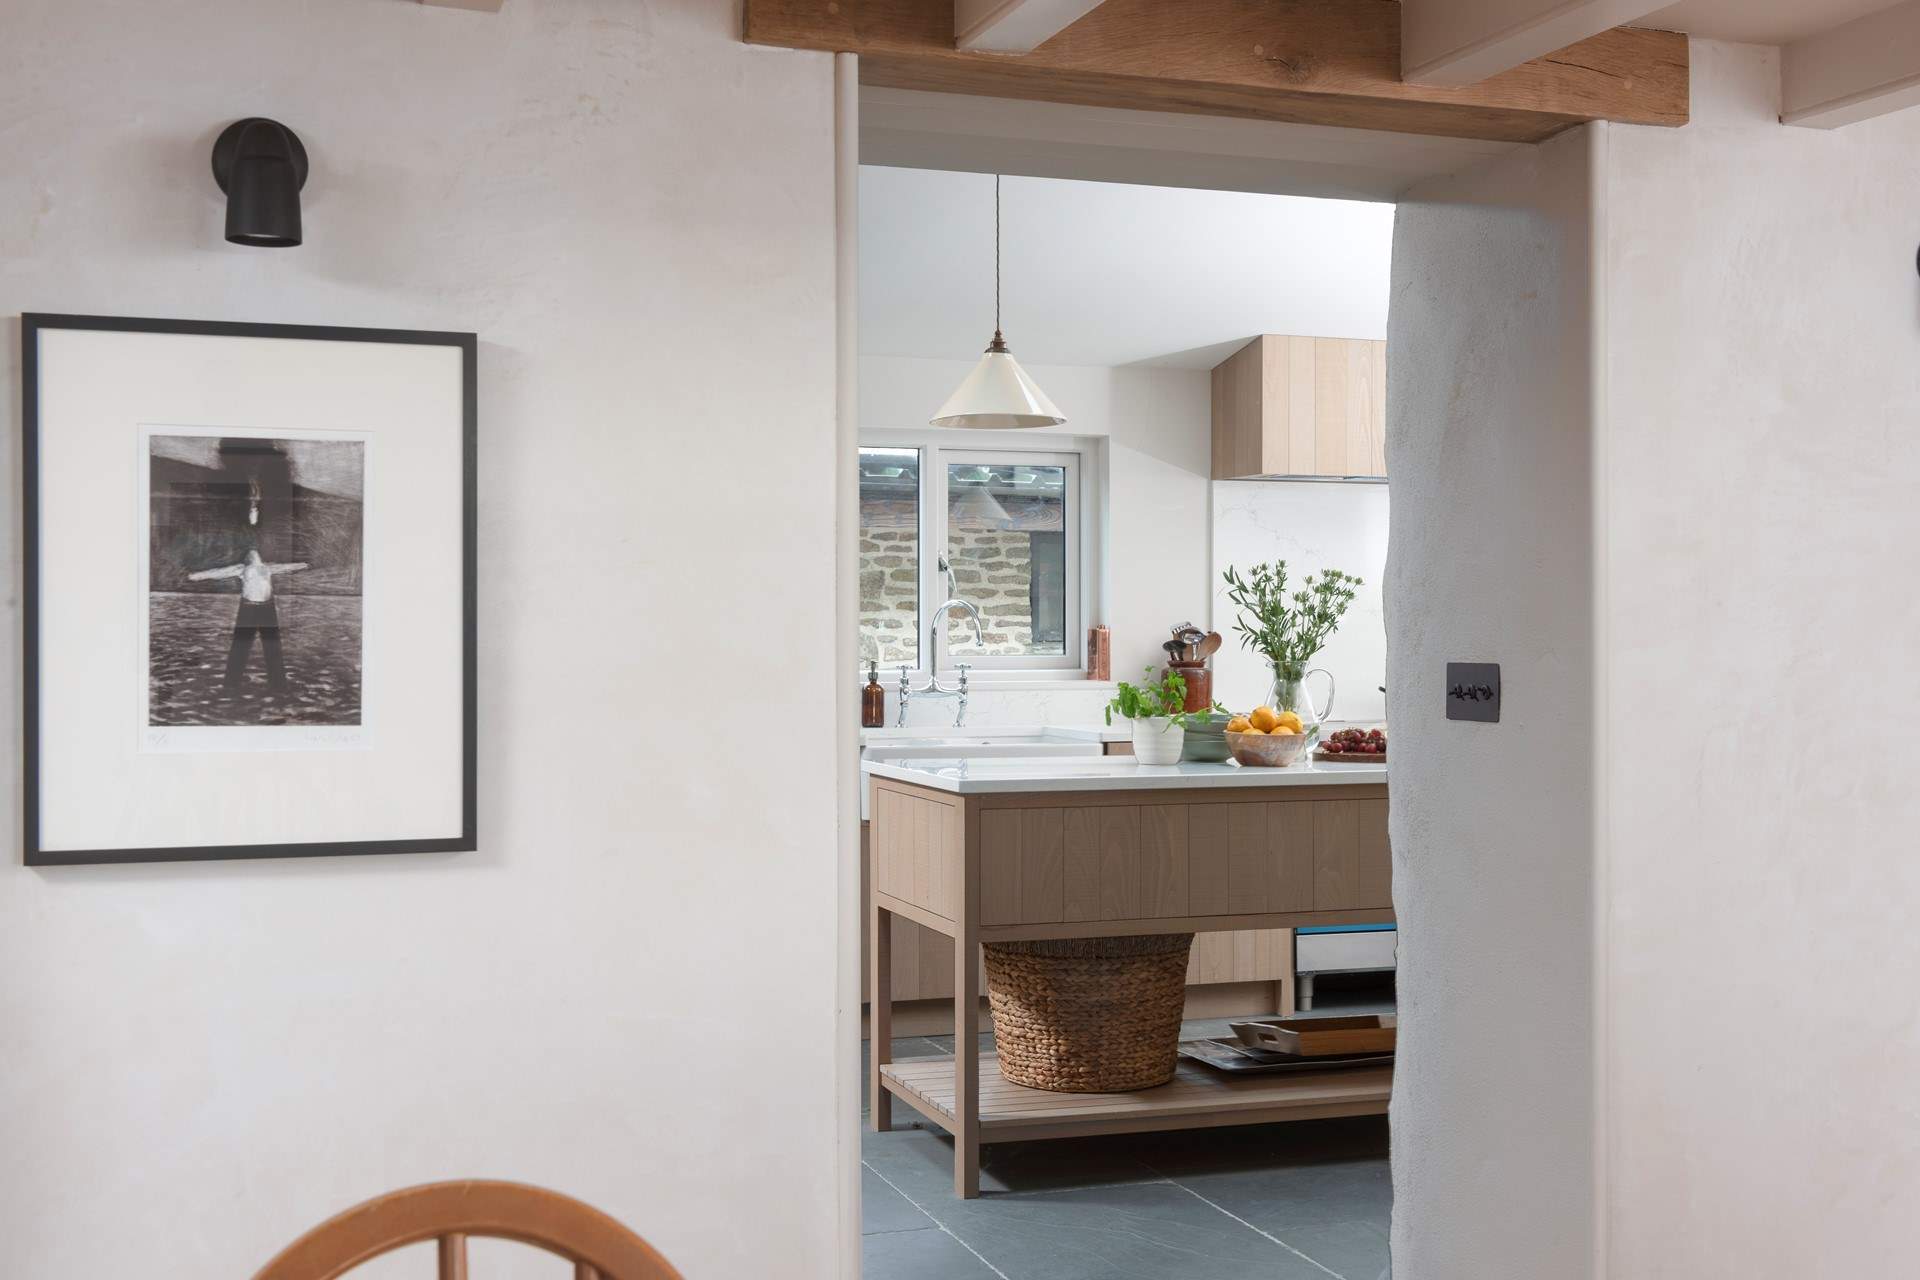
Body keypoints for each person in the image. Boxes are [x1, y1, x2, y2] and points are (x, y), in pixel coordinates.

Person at [188, 548, 309, 692]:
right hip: (248, 608)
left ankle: (278, 685)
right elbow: (219, 572)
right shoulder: (241, 568)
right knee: (240, 646)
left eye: (256, 552)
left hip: (266, 609)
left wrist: (303, 565)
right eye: (251, 552)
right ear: (247, 557)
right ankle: (231, 684)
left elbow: (285, 567)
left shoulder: (268, 568)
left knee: (272, 646)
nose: (254, 553)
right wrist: (196, 576)